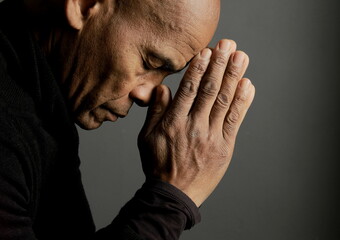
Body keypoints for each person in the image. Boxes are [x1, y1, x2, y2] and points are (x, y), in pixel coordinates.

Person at [0, 0, 255, 239]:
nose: (146, 96)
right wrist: (171, 198)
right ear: (84, 3)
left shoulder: (42, 108)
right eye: (150, 62)